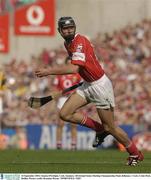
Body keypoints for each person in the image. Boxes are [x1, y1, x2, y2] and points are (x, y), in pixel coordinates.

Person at [35, 16, 144, 166]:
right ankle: (99, 129)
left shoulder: (79, 41)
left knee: (111, 127)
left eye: (71, 27)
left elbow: (74, 68)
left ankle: (135, 154)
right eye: (65, 28)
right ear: (60, 31)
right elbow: (82, 67)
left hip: (100, 86)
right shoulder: (67, 43)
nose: (69, 30)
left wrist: (49, 71)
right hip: (88, 84)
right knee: (64, 113)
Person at [53, 57, 81, 150]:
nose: (70, 65)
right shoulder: (60, 75)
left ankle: (73, 144)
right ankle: (59, 144)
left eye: (71, 63)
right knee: (60, 123)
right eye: (68, 63)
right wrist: (55, 100)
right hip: (62, 99)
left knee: (73, 123)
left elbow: (81, 87)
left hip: (73, 98)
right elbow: (56, 88)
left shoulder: (77, 75)